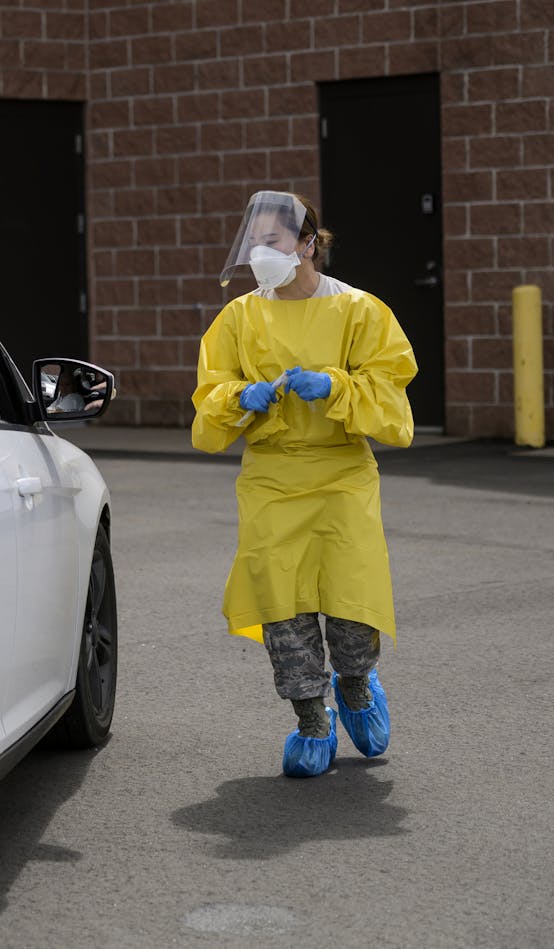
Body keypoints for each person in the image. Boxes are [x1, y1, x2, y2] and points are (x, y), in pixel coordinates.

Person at [190, 190, 417, 778]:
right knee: (282, 608)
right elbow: (210, 400)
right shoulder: (240, 316)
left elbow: (391, 397)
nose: (262, 252)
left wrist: (338, 387)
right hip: (272, 478)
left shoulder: (361, 311)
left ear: (310, 244)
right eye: (255, 242)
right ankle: (312, 719)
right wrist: (242, 396)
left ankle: (358, 686)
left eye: (275, 240)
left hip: (342, 474)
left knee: (351, 604)